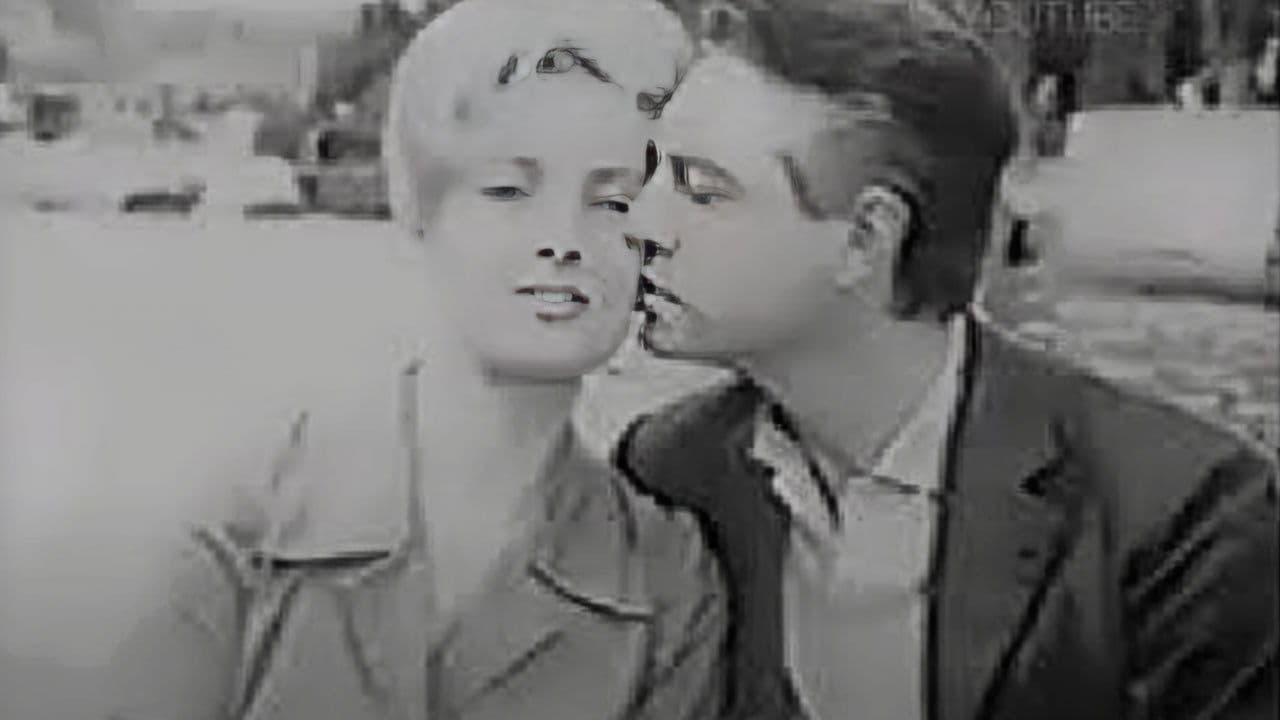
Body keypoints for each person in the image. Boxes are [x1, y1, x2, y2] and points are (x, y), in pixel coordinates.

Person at [618, 2, 1280, 719]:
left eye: (701, 189)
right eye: (652, 172)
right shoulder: (668, 470)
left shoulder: (1187, 518)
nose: (640, 222)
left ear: (867, 239)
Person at [104, 2, 725, 719]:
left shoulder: (668, 580)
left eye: (613, 202)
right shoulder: (237, 513)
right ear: (418, 204)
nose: (562, 240)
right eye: (508, 191)